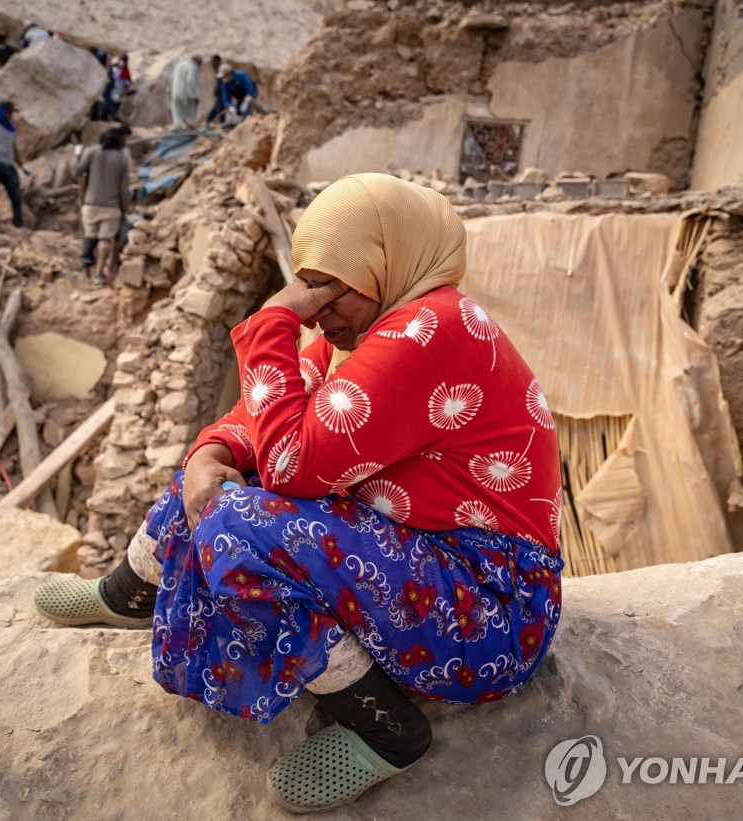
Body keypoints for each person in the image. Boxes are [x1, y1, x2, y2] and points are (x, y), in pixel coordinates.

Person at [32, 173, 564, 812]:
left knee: (238, 522)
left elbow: (290, 464)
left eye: (331, 288)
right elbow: (262, 420)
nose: (318, 307)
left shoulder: (431, 329)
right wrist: (210, 453)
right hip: (426, 566)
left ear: (389, 263)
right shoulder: (370, 329)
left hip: (487, 605)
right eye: (310, 285)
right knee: (222, 484)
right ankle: (133, 590)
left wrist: (272, 321)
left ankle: (386, 728)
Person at [75, 126, 131, 284]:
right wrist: (124, 210)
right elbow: (123, 190)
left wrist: (78, 156)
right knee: (105, 239)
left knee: (89, 236)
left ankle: (85, 268)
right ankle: (99, 273)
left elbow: (78, 171)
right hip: (111, 207)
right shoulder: (121, 159)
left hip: (91, 204)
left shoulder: (92, 152)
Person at [169, 55, 201, 128]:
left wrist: (170, 91)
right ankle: (187, 133)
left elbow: (171, 79)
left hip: (175, 92)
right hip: (186, 94)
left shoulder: (179, 65)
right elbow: (190, 81)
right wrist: (194, 96)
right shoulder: (192, 67)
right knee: (189, 116)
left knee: (178, 115)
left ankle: (178, 131)